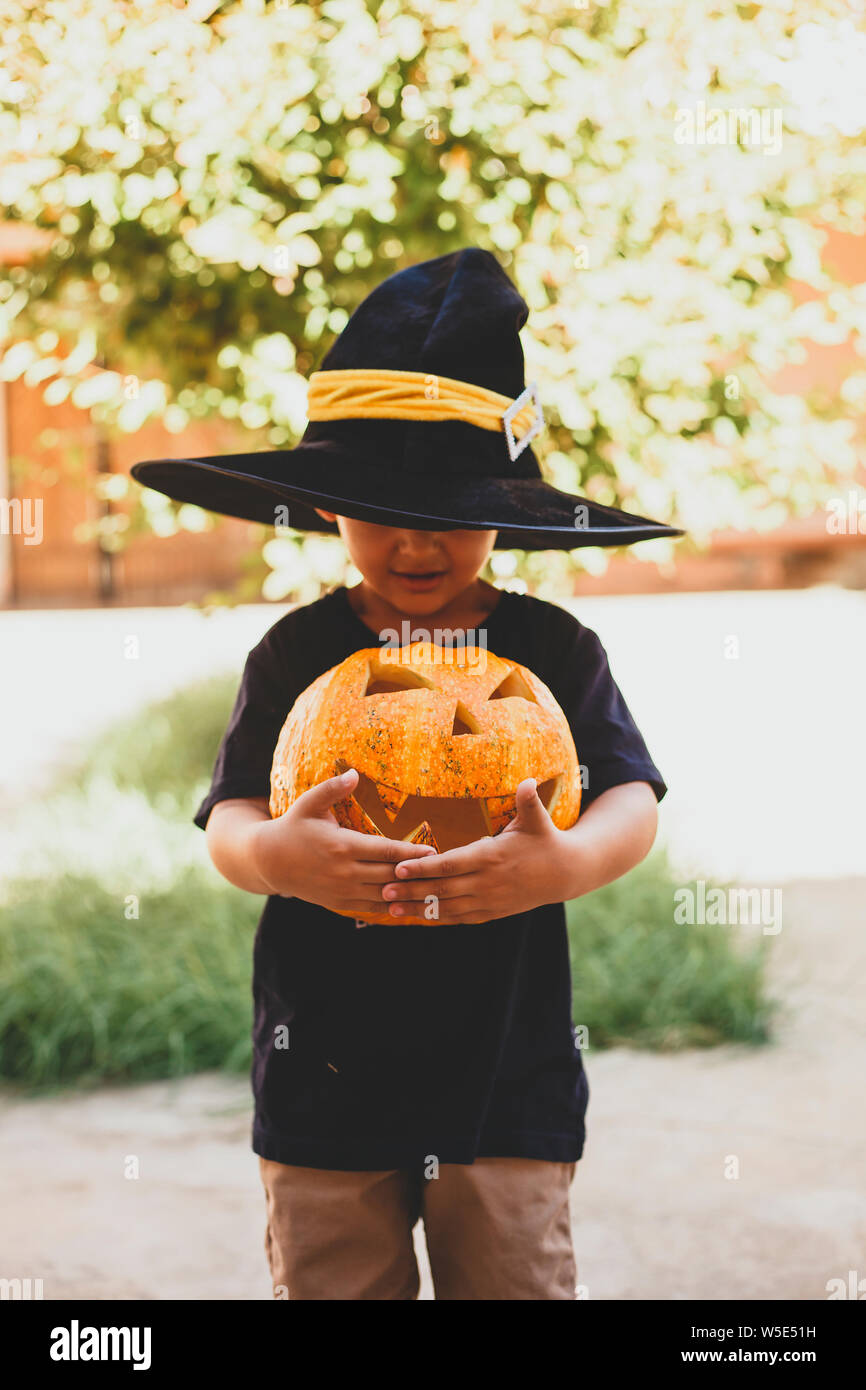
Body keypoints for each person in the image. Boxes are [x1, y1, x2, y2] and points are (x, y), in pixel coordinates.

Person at [131, 246, 682, 1300]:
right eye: (381, 507)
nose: (416, 541)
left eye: (449, 510)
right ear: (329, 504)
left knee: (512, 1282)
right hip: (323, 1076)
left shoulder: (553, 653)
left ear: (503, 507)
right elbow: (231, 819)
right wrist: (276, 856)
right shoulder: (293, 656)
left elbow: (629, 797)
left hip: (504, 1076)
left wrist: (561, 864)